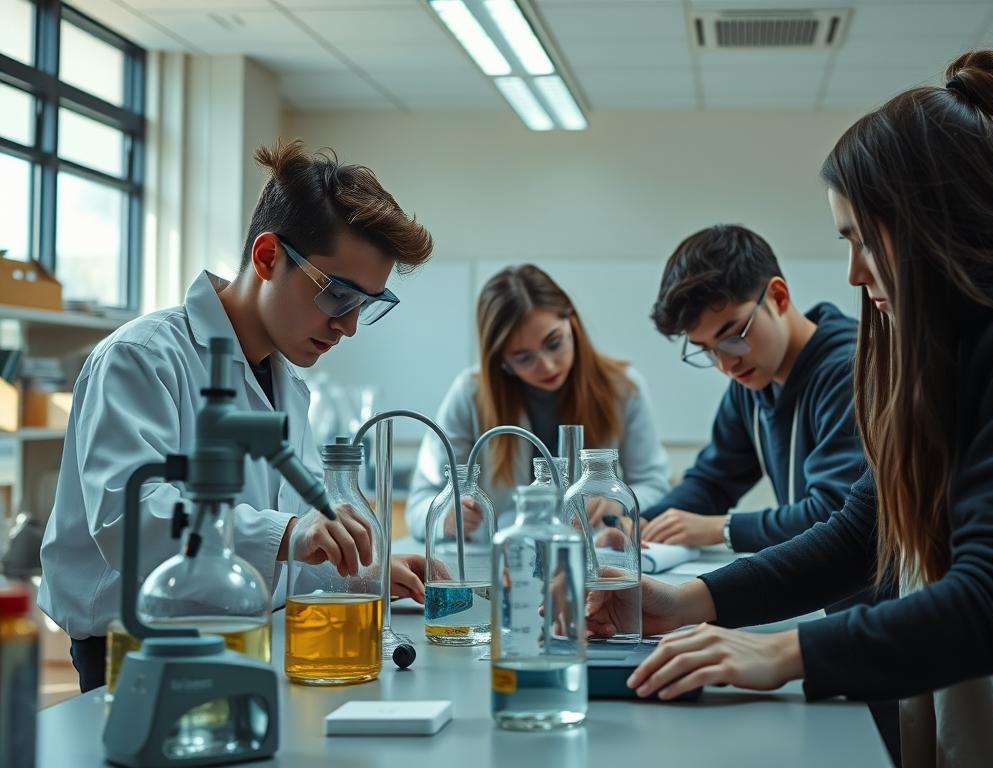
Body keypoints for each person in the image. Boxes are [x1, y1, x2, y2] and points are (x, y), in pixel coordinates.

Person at [594, 50, 993, 767]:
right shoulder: (976, 351)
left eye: (860, 239)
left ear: (933, 222)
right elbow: (863, 532)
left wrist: (784, 652)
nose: (852, 272)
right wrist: (686, 600)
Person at [39, 140, 437, 691]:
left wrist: (358, 572)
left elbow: (281, 537)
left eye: (366, 306)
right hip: (138, 654)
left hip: (247, 639)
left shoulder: (288, 384)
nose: (347, 326)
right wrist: (292, 532)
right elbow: (130, 521)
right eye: (339, 295)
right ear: (267, 257)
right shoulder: (143, 358)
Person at [640, 225, 866, 553]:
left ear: (778, 296)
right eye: (707, 349)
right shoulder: (752, 379)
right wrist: (639, 523)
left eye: (733, 337)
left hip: (882, 599)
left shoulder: (850, 367)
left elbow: (835, 512)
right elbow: (713, 481)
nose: (725, 365)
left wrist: (722, 528)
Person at [407, 265, 669, 541]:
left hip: (592, 558)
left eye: (554, 342)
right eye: (523, 357)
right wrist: (448, 517)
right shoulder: (469, 394)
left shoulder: (624, 388)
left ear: (571, 319)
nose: (546, 365)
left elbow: (654, 485)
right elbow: (420, 502)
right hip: (503, 563)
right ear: (501, 361)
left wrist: (617, 502)